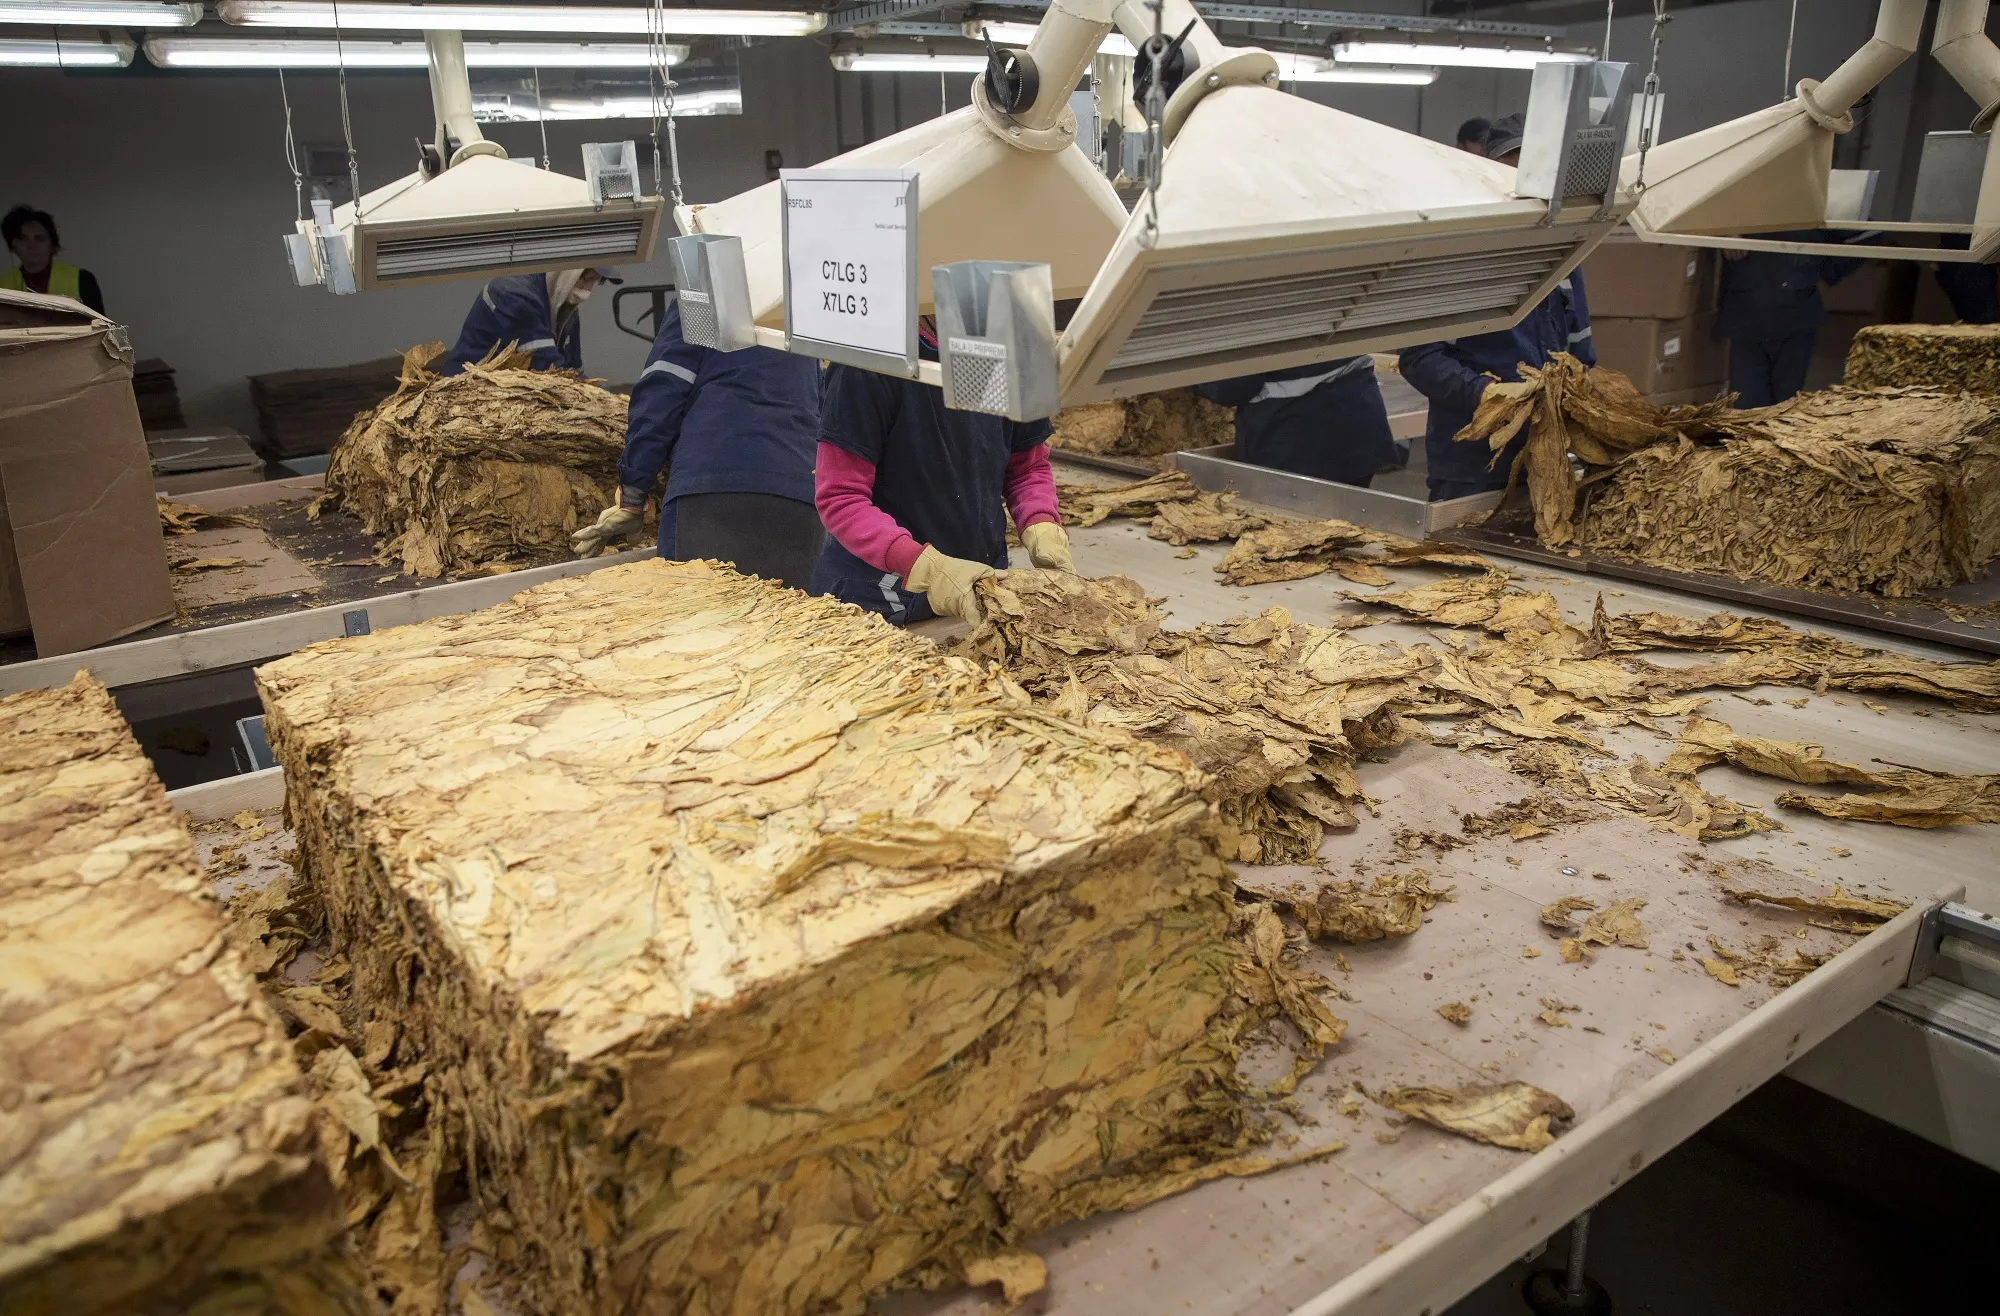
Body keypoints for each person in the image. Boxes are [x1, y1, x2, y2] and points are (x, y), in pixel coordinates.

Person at [809, 319, 1075, 626]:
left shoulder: (1007, 347)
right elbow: (840, 497)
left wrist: (1040, 523)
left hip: (977, 587)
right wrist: (927, 569)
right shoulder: (870, 360)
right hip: (875, 598)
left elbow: (1027, 467)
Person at [1398, 119, 1594, 501]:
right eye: (1510, 162)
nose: (1521, 176)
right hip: (1472, 464)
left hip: (1546, 458)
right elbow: (1419, 358)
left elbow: (1581, 352)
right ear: (1488, 170)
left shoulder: (1563, 258)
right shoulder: (1459, 256)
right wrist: (1488, 394)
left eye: (1531, 165)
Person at [569, 300, 824, 589]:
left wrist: (632, 495)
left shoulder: (706, 298)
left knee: (701, 624)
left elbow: (661, 395)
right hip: (800, 499)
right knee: (790, 629)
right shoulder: (796, 312)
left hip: (713, 492)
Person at [1193, 357, 1398, 486]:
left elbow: (1233, 387)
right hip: (1361, 424)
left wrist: (1189, 376)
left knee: (1298, 541)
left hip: (1296, 444)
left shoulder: (1253, 305)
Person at [1714, 232, 1864, 408]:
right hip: (1745, 316)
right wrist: (1724, 234)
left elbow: (1869, 235)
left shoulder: (1814, 208)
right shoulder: (1741, 207)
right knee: (1748, 406)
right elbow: (1694, 217)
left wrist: (1826, 269)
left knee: (1787, 406)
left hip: (1796, 316)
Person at [438, 267, 610, 375]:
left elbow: (574, 372)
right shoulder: (515, 294)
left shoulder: (566, 310)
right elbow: (549, 368)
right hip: (468, 393)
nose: (586, 291)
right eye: (585, 277)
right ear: (568, 272)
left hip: (510, 398)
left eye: (595, 282)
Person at [2, 205, 105, 314]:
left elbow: (101, 327)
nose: (31, 245)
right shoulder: (2, 285)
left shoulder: (83, 279)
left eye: (39, 238)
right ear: (12, 244)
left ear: (52, 244)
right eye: (22, 238)